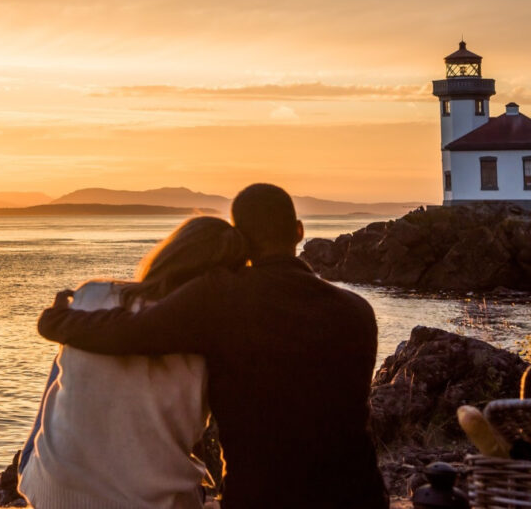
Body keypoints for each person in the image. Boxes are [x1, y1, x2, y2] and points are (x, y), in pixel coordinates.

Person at [38, 184, 388, 509]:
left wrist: (57, 322)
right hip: (359, 496)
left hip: (262, 499)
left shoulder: (222, 296)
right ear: (298, 231)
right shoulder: (357, 310)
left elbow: (130, 332)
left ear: (240, 239)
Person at [18, 216, 249, 509]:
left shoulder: (91, 294)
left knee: (67, 358)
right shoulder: (211, 334)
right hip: (160, 503)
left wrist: (58, 317)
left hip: (54, 497)